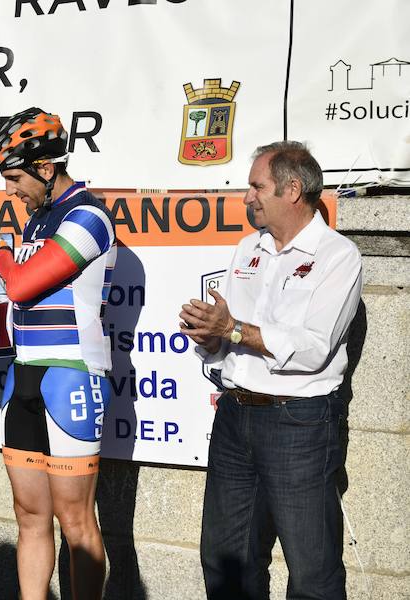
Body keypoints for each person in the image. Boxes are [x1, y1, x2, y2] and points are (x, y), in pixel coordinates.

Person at [179, 141, 361, 599]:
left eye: (257, 187)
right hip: (235, 416)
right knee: (226, 560)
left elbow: (314, 349)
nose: (247, 198)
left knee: (312, 571)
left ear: (292, 189)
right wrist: (211, 338)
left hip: (299, 424)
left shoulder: (338, 254)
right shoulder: (247, 248)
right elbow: (232, 343)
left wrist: (234, 329)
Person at [0, 107, 116, 600]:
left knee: (75, 520)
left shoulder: (89, 216)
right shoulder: (38, 218)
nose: (9, 190)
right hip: (26, 375)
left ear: (47, 168)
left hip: (71, 375)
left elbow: (22, 284)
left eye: (15, 178)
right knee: (29, 515)